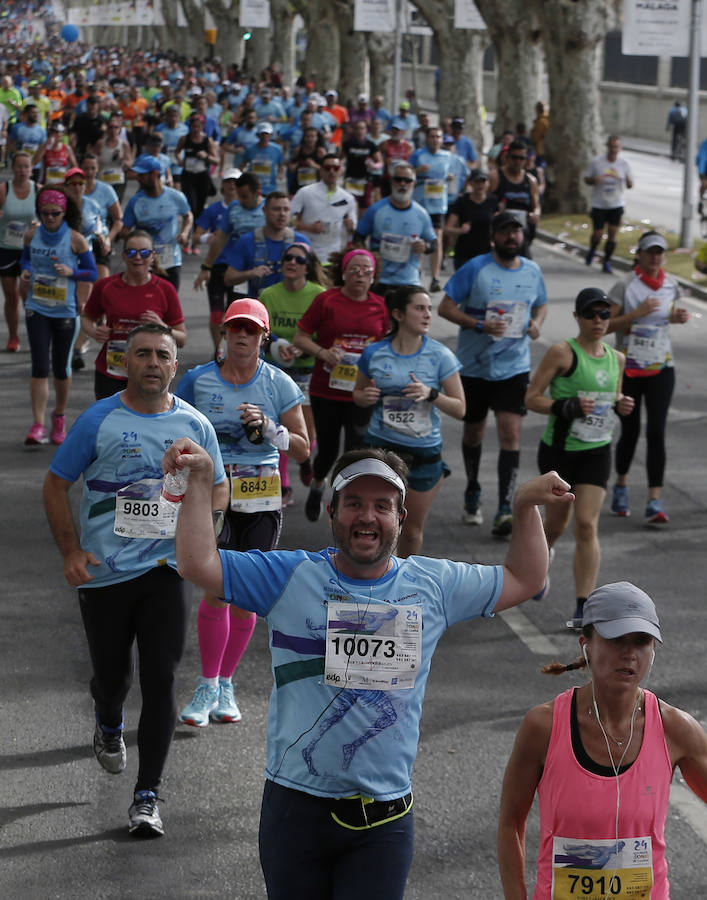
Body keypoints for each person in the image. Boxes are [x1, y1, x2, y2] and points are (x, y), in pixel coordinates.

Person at [164, 437, 573, 900]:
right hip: (295, 810)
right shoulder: (290, 575)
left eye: (382, 506)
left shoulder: (432, 585)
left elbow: (526, 578)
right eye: (354, 503)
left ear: (400, 518)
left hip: (384, 820)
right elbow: (197, 562)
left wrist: (523, 506)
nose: (367, 516)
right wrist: (198, 483)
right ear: (334, 512)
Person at [43, 323, 228, 838]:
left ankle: (148, 795)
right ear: (123, 362)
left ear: (175, 366)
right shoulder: (99, 420)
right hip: (104, 573)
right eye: (141, 354)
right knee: (113, 680)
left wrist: (202, 543)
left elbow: (218, 491)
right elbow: (56, 485)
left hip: (166, 572)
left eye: (161, 355)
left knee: (162, 678)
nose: (151, 362)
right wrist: (70, 551)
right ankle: (107, 722)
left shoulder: (195, 425)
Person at [497, 581, 707, 900]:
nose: (629, 654)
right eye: (616, 640)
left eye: (641, 642)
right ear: (587, 645)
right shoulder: (544, 726)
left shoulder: (675, 728)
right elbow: (511, 823)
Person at [175, 298, 309, 729]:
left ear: (263, 337)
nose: (242, 336)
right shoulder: (197, 380)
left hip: (261, 497)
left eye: (251, 330)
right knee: (215, 588)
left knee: (246, 592)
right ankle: (207, 682)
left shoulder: (279, 383)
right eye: (235, 328)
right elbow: (175, 429)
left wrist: (270, 428)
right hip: (212, 493)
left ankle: (227, 683)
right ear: (224, 333)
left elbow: (306, 449)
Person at [525, 288, 634, 628]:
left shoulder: (617, 358)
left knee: (586, 523)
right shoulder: (563, 353)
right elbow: (532, 397)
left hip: (597, 450)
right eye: (591, 314)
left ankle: (583, 608)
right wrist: (565, 407)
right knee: (557, 525)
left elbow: (612, 397)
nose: (598, 321)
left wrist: (621, 405)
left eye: (604, 315)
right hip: (561, 451)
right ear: (578, 317)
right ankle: (542, 562)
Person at [438, 211, 548, 536]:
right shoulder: (476, 268)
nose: (512, 237)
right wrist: (479, 325)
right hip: (474, 367)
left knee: (510, 434)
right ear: (494, 236)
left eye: (517, 231)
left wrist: (536, 323)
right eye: (505, 231)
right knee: (473, 433)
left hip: (514, 368)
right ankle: (472, 487)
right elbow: (445, 307)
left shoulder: (532, 271)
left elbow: (540, 303)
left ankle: (505, 507)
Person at [353, 286, 465, 556]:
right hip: (381, 448)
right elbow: (357, 394)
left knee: (410, 528)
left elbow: (461, 408)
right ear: (398, 314)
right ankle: (374, 579)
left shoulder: (440, 355)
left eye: (429, 309)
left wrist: (431, 393)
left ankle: (402, 587)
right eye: (420, 308)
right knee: (377, 523)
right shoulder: (374, 353)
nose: (427, 315)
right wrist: (364, 396)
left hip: (423, 453)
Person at [292, 249, 390, 521]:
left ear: (374, 276)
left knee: (355, 452)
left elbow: (386, 348)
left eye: (366, 270)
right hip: (327, 389)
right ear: (344, 273)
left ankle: (343, 503)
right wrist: (323, 353)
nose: (360, 275)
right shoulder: (327, 300)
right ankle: (318, 483)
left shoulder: (380, 306)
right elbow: (300, 338)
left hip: (361, 392)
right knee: (328, 451)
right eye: (354, 269)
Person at [606, 231, 689, 524]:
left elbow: (668, 316)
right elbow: (604, 326)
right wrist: (634, 314)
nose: (655, 257)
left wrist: (677, 317)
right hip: (628, 369)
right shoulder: (625, 285)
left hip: (661, 368)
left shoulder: (671, 284)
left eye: (660, 252)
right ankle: (621, 486)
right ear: (639, 254)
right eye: (650, 251)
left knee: (656, 432)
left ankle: (655, 499)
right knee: (629, 431)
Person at [21, 185, 97, 446]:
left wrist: (72, 272)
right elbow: (25, 259)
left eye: (55, 213)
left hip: (65, 310)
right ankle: (38, 424)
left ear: (64, 212)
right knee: (40, 366)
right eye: (45, 213)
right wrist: (26, 270)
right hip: (37, 307)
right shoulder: (32, 235)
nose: (50, 218)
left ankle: (60, 418)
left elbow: (92, 273)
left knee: (61, 369)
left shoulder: (76, 239)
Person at [259, 242, 329, 500]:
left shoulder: (319, 294)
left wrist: (303, 348)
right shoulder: (268, 294)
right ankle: (284, 483)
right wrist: (277, 342)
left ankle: (305, 457)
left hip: (308, 371)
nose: (292, 263)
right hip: (276, 370)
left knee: (307, 432)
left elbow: (326, 333)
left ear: (308, 266)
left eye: (299, 260)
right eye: (287, 258)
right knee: (278, 428)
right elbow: (262, 330)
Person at [81, 229, 186, 399]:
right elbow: (86, 318)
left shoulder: (165, 289)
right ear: (123, 255)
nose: (138, 257)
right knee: (110, 423)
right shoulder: (106, 286)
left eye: (144, 252)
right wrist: (94, 331)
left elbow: (182, 339)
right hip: (111, 371)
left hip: (149, 374)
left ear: (152, 256)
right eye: (131, 252)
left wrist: (163, 326)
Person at [354, 161, 436, 294]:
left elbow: (433, 243)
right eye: (398, 180)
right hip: (379, 281)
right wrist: (366, 258)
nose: (402, 184)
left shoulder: (421, 214)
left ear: (414, 184)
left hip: (409, 281)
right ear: (392, 182)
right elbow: (358, 237)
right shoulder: (376, 210)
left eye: (407, 180)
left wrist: (425, 247)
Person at [121, 155, 193, 291]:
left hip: (171, 259)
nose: (138, 178)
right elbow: (125, 230)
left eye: (142, 175)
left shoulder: (175, 197)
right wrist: (137, 246)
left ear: (154, 174)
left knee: (169, 303)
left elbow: (188, 216)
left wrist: (184, 233)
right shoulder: (135, 202)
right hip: (144, 261)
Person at [222, 191, 309, 297]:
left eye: (286, 209)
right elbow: (228, 278)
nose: (282, 214)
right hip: (259, 306)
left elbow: (313, 276)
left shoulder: (301, 241)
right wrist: (251, 273)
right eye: (276, 209)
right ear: (264, 210)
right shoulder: (246, 241)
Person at [410, 127, 456, 293]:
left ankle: (435, 277)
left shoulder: (447, 156)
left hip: (438, 204)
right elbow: (406, 175)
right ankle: (418, 272)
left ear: (442, 139)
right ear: (427, 138)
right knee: (419, 239)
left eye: (438, 136)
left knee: (437, 238)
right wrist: (416, 171)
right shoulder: (418, 154)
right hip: (420, 202)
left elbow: (455, 174)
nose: (435, 139)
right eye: (432, 136)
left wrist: (451, 177)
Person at [290, 152, 357, 265]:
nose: (331, 171)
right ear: (320, 170)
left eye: (335, 168)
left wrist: (351, 227)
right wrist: (308, 227)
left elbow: (353, 229)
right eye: (327, 168)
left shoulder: (348, 198)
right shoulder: (305, 192)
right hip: (308, 251)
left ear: (340, 171)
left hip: (333, 253)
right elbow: (288, 220)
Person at [0, 151, 37, 352]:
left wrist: (39, 224)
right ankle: (13, 336)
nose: (23, 170)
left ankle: (34, 335)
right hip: (6, 249)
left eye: (26, 166)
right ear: (12, 168)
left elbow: (48, 217)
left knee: (27, 294)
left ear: (31, 169)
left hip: (29, 251)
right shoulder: (4, 190)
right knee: (11, 296)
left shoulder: (38, 191)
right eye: (19, 166)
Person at [584, 136, 633, 275]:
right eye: (611, 146)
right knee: (598, 234)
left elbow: (630, 185)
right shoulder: (597, 162)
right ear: (607, 147)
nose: (613, 150)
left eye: (616, 147)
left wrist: (628, 180)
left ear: (620, 148)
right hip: (599, 203)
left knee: (612, 234)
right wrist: (595, 180)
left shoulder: (623, 164)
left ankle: (607, 261)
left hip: (616, 203)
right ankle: (592, 249)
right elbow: (586, 179)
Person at [489, 139, 540, 258]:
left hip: (522, 234)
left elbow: (536, 205)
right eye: (514, 157)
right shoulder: (496, 176)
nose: (517, 162)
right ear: (507, 157)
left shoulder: (531, 181)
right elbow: (486, 202)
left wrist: (535, 214)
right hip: (501, 234)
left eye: (521, 158)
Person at [444, 169, 499, 270]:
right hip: (464, 254)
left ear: (488, 183)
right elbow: (447, 229)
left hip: (486, 254)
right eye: (477, 181)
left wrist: (495, 240)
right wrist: (460, 231)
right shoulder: (462, 201)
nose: (480, 185)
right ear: (470, 183)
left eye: (483, 181)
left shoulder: (493, 201)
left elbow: (498, 225)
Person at [176, 112, 220, 221]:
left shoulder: (207, 140)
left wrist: (206, 157)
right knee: (192, 204)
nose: (195, 129)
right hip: (188, 176)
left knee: (200, 207)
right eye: (193, 126)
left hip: (202, 176)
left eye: (198, 126)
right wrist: (179, 160)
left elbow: (217, 160)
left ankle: (196, 231)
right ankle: (190, 227)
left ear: (202, 127)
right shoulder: (184, 139)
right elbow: (177, 152)